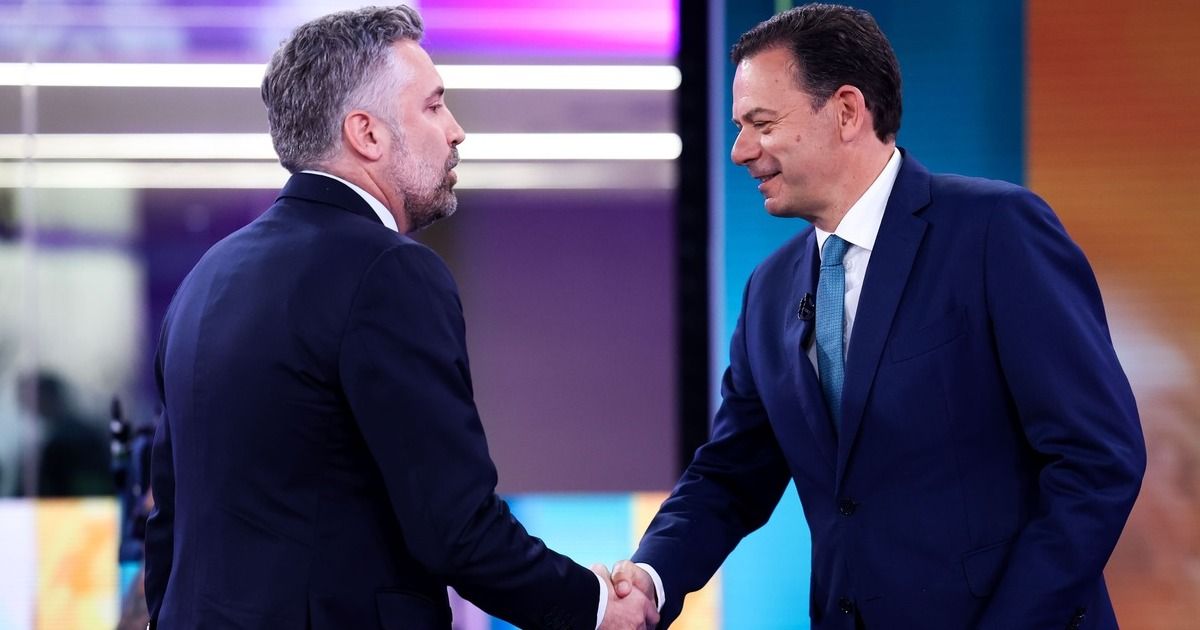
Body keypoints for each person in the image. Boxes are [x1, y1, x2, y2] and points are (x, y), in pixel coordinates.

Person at [610, 4, 1145, 629]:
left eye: (762, 124)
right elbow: (731, 474)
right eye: (739, 127)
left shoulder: (996, 232)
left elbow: (1097, 460)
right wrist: (651, 577)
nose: (739, 151)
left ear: (846, 111)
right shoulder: (768, 292)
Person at [143, 6, 656, 630]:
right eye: (434, 106)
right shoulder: (388, 271)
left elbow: (168, 525)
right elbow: (455, 527)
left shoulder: (206, 279)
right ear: (367, 133)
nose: (457, 130)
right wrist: (595, 606)